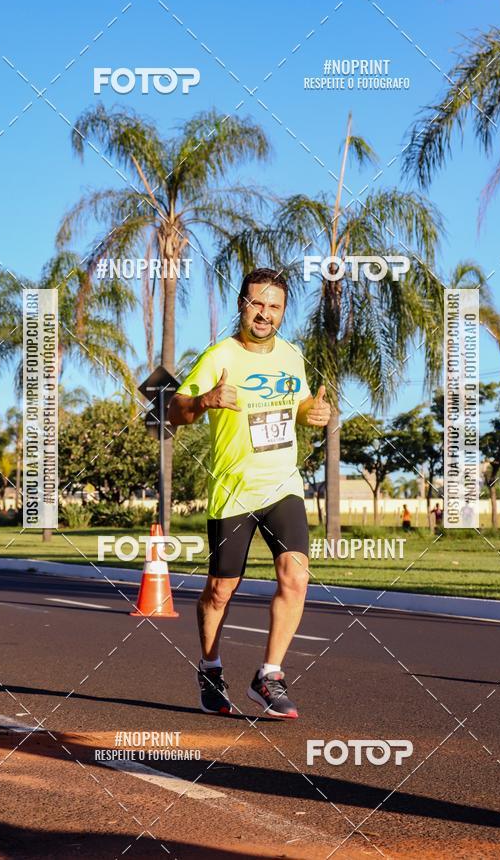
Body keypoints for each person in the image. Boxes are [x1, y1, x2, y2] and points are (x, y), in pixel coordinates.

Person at [168, 268, 331, 719]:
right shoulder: (219, 355)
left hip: (282, 485)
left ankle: (269, 675)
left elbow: (296, 405)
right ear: (242, 304)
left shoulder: (292, 356)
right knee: (221, 589)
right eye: (257, 303)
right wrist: (204, 402)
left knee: (295, 576)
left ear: (282, 313)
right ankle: (211, 668)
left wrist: (311, 412)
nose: (265, 313)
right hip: (232, 490)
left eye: (274, 306)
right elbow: (174, 409)